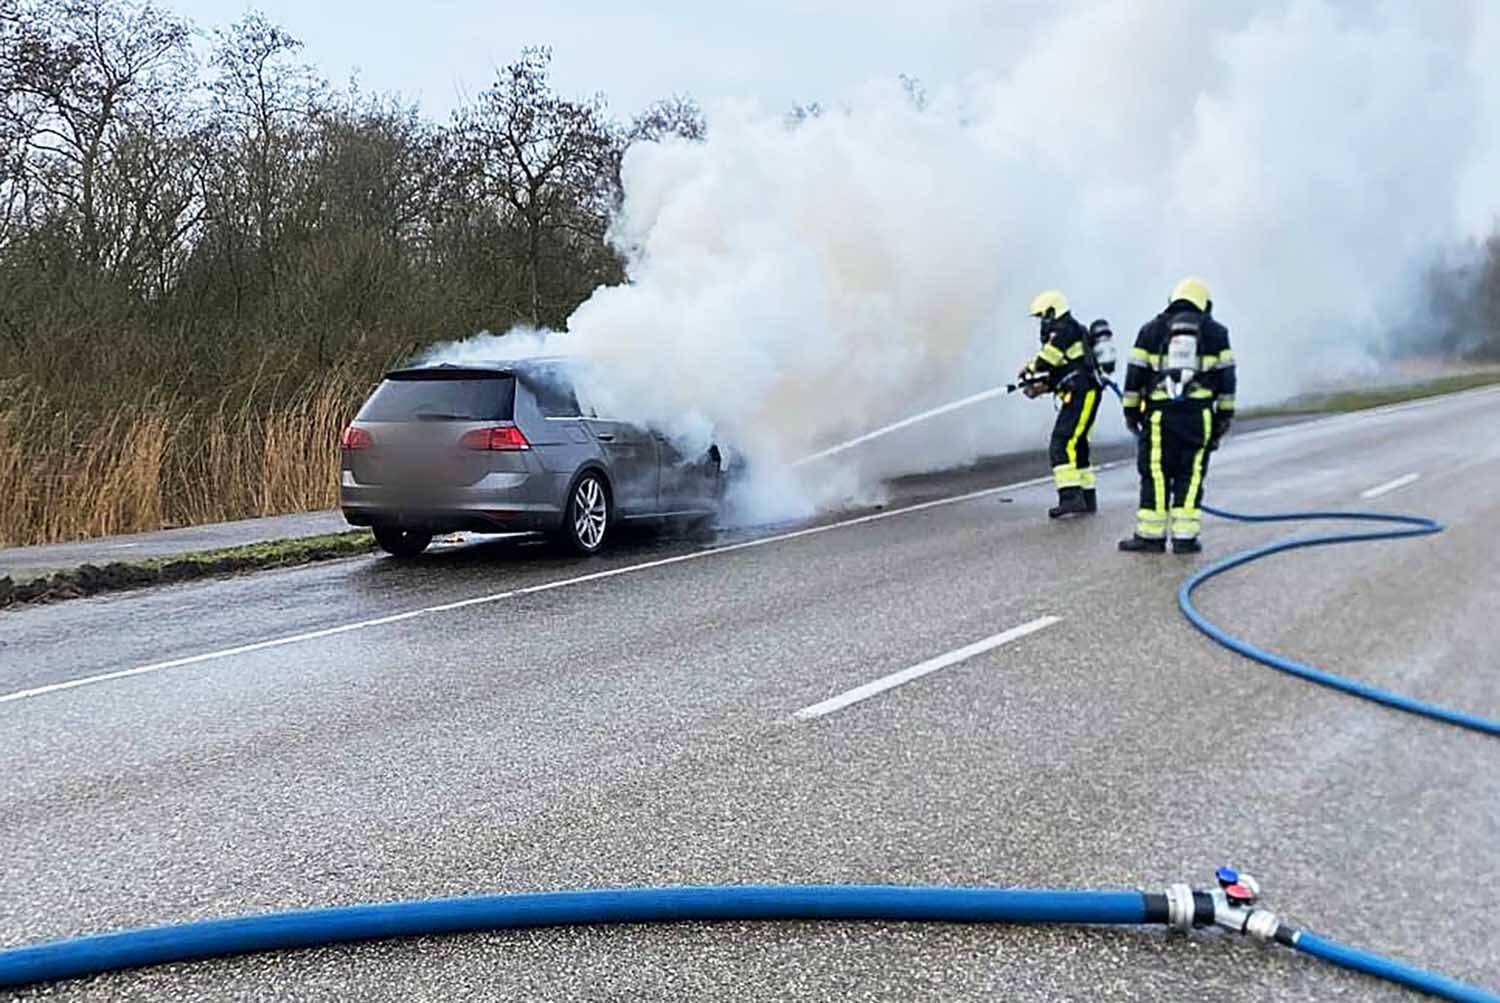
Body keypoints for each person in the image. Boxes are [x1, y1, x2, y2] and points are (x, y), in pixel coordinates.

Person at [1118, 277, 1236, 554]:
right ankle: (1185, 538)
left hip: (1161, 416)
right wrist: (1224, 417)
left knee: (1156, 473)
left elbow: (1134, 375)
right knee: (1191, 473)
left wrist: (1131, 411)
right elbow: (1227, 379)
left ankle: (1151, 536)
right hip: (1200, 416)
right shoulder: (1217, 332)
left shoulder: (1151, 330)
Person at [1017, 290, 1103, 518]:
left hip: (1081, 393)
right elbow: (1062, 371)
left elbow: (1046, 360)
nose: (1041, 323)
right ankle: (1086, 497)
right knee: (1078, 445)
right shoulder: (1071, 329)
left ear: (1052, 311)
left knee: (1061, 443)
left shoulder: (1065, 329)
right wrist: (1039, 387)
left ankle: (1070, 497)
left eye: (1042, 317)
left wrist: (1028, 371)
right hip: (1082, 391)